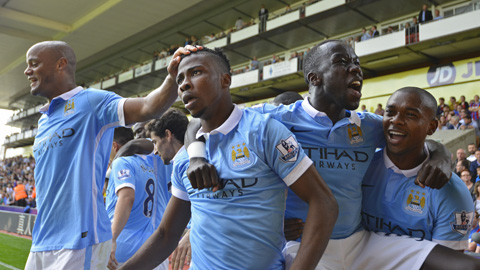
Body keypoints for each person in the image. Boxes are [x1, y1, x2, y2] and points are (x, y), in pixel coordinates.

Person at [186, 41, 475, 269]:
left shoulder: (369, 126)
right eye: (342, 62)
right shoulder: (273, 120)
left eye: (357, 64)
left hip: (360, 242)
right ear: (314, 77)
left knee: (464, 265)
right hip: (303, 245)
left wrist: (440, 156)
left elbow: (419, 137)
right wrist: (196, 155)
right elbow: (199, 122)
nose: (356, 69)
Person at [120, 47, 338, 270]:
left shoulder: (264, 132)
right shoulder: (186, 157)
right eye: (180, 79)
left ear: (225, 80)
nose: (184, 84)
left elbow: (324, 203)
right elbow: (167, 235)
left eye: (195, 73)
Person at [23, 40, 199, 269]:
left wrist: (172, 77)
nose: (27, 71)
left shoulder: (91, 102)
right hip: (41, 241)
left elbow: (148, 107)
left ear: (60, 64)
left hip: (79, 243)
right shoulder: (44, 120)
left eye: (34, 64)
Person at [362, 87, 474, 251]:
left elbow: (447, 262)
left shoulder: (452, 192)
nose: (396, 120)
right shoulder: (360, 167)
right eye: (390, 112)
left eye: (410, 115)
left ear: (432, 126)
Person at [105, 127, 168, 270]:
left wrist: (112, 238)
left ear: (114, 146)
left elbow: (127, 198)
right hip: (153, 250)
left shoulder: (122, 162)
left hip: (122, 248)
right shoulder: (156, 163)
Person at [146, 109, 191, 270]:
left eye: (155, 142)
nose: (155, 150)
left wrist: (193, 231)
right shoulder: (185, 159)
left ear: (168, 135)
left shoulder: (186, 161)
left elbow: (215, 203)